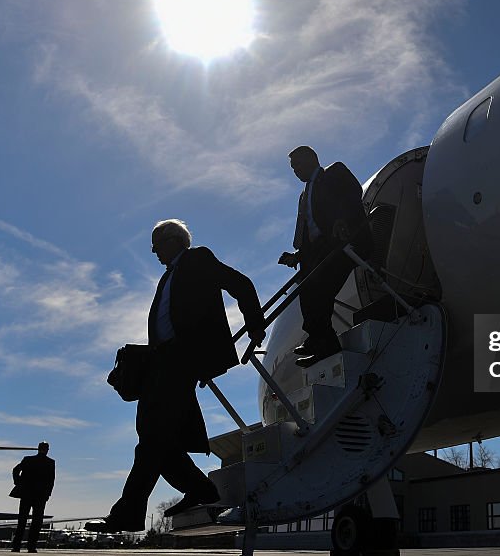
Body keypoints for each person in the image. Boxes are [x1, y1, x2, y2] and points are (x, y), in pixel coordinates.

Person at [88, 219, 266, 533]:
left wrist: (255, 323)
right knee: (154, 439)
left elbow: (240, 283)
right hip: (162, 362)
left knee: (151, 437)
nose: (154, 251)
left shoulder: (197, 259)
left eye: (157, 244)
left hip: (180, 360)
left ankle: (130, 512)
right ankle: (202, 490)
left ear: (174, 240)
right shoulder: (167, 276)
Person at [278, 146, 372, 367]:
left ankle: (323, 342)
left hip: (343, 242)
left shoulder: (334, 173)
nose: (296, 171)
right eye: (293, 168)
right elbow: (311, 231)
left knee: (318, 288)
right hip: (319, 251)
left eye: (298, 165)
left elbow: (352, 194)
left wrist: (342, 219)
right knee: (307, 286)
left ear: (311, 159)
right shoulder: (304, 195)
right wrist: (297, 256)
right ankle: (318, 339)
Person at [10, 441, 55, 553]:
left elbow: (16, 470)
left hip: (26, 494)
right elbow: (51, 481)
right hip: (40, 496)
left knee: (22, 520)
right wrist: (47, 494)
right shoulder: (50, 462)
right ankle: (31, 546)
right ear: (47, 450)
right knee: (36, 522)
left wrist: (18, 482)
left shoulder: (28, 460)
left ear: (38, 448)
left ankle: (16, 546)